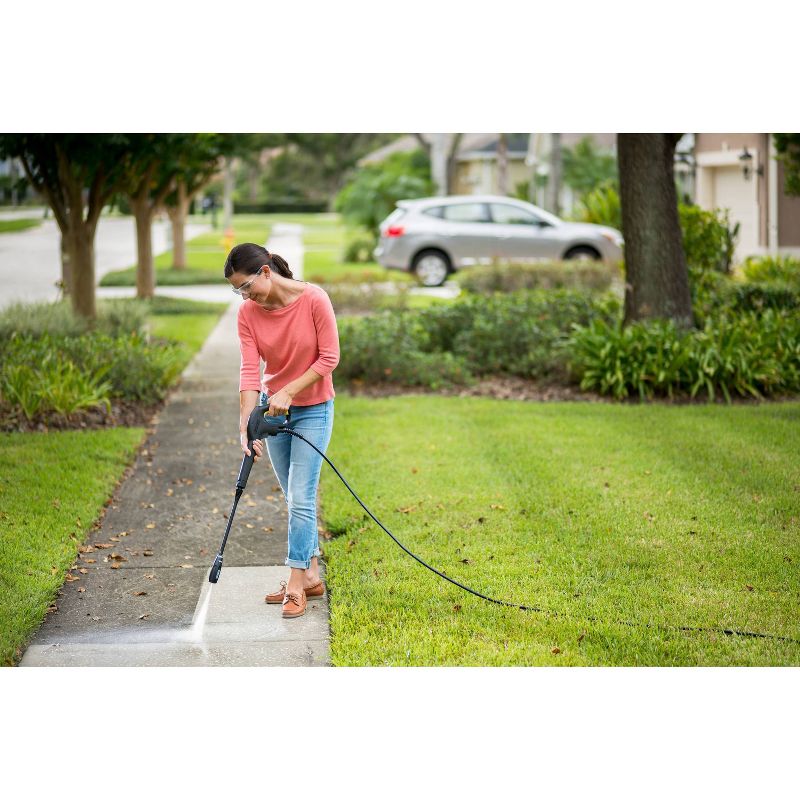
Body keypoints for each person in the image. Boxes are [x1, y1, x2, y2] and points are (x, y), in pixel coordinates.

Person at [224, 243, 339, 619]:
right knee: (294, 498)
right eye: (238, 291)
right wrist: (246, 423)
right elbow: (249, 369)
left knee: (302, 497)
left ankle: (294, 584)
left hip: (314, 410)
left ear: (266, 272)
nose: (245, 296)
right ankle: (311, 576)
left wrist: (289, 390)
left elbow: (329, 358)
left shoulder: (314, 299)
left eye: (246, 286)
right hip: (274, 413)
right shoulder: (248, 313)